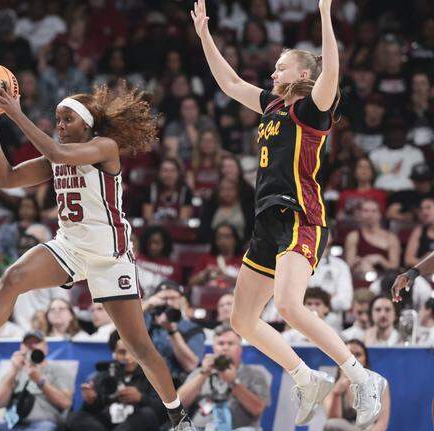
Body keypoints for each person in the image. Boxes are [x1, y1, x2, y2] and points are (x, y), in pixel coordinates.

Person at [0, 71, 194, 429]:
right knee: (12, 277)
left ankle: (178, 417)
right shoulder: (55, 155)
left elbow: (56, 151)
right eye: (56, 119)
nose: (59, 125)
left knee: (139, 346)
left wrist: (15, 112)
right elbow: (7, 179)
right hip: (69, 247)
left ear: (87, 125)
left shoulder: (105, 147)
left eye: (67, 119)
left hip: (110, 257)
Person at [191, 0, 385, 426]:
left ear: (302, 75)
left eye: (281, 68)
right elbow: (228, 82)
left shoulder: (312, 106)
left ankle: (361, 376)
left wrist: (325, 16)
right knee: (241, 319)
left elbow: (331, 72)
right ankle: (304, 375)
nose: (272, 74)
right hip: (266, 221)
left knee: (289, 306)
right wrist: (205, 36)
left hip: (301, 215)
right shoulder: (271, 107)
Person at [0, 331, 74, 431]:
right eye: (27, 344)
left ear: (45, 348)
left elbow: (66, 403)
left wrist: (40, 381)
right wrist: (13, 371)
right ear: (21, 347)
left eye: (36, 342)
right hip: (12, 425)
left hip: (41, 424)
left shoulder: (58, 370)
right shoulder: (15, 370)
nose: (31, 346)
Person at [65, 331, 167, 431]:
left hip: (137, 421)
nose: (128, 357)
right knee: (74, 417)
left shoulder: (153, 375)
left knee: (147, 414)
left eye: (133, 352)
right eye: (122, 352)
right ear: (114, 353)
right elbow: (90, 412)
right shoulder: (104, 375)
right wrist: (91, 401)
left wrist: (141, 398)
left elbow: (164, 412)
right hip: (105, 424)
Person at [177, 325, 270, 430]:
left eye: (230, 344)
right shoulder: (201, 372)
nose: (225, 348)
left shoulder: (254, 374)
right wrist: (203, 374)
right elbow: (179, 403)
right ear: (213, 348)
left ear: (240, 349)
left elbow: (257, 408)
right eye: (220, 344)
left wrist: (234, 383)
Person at [142, 282, 205, 385]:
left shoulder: (192, 329)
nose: (169, 303)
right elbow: (117, 337)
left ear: (181, 300)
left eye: (173, 298)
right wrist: (146, 305)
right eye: (164, 299)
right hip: (145, 383)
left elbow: (190, 365)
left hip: (176, 386)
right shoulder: (144, 320)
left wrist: (172, 331)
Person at [323, 340, 391, 431]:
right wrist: (336, 393)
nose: (353, 359)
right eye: (349, 354)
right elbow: (333, 419)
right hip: (344, 428)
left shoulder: (380, 383)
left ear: (365, 360)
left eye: (358, 355)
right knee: (331, 424)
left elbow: (382, 423)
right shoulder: (331, 385)